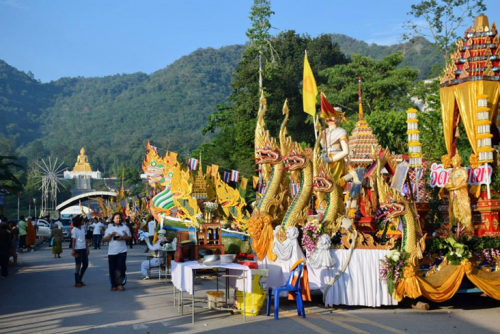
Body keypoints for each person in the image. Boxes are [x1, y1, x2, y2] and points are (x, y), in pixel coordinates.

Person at [445, 154, 474, 235]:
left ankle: (466, 229)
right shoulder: (452, 172)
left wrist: (455, 188)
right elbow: (449, 182)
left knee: (463, 211)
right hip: (453, 195)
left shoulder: (463, 171)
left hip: (461, 194)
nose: (453, 163)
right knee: (454, 211)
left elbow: (465, 184)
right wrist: (449, 187)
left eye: (454, 161)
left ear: (459, 162)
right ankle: (455, 229)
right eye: (452, 161)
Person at [103, 213, 131, 291]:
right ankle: (113, 285)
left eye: (119, 218)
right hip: (112, 252)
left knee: (121, 268)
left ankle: (120, 284)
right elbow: (104, 239)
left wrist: (123, 237)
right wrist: (111, 235)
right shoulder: (109, 228)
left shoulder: (125, 227)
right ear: (113, 219)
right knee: (112, 269)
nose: (118, 219)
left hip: (122, 251)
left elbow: (129, 236)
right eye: (116, 218)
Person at [71, 215, 89, 287]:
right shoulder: (74, 229)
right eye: (82, 220)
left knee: (85, 264)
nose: (83, 221)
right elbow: (73, 240)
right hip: (78, 249)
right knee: (78, 265)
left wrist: (87, 248)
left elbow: (85, 239)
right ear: (78, 221)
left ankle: (79, 279)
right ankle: (77, 282)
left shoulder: (82, 228)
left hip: (84, 249)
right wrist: (73, 250)